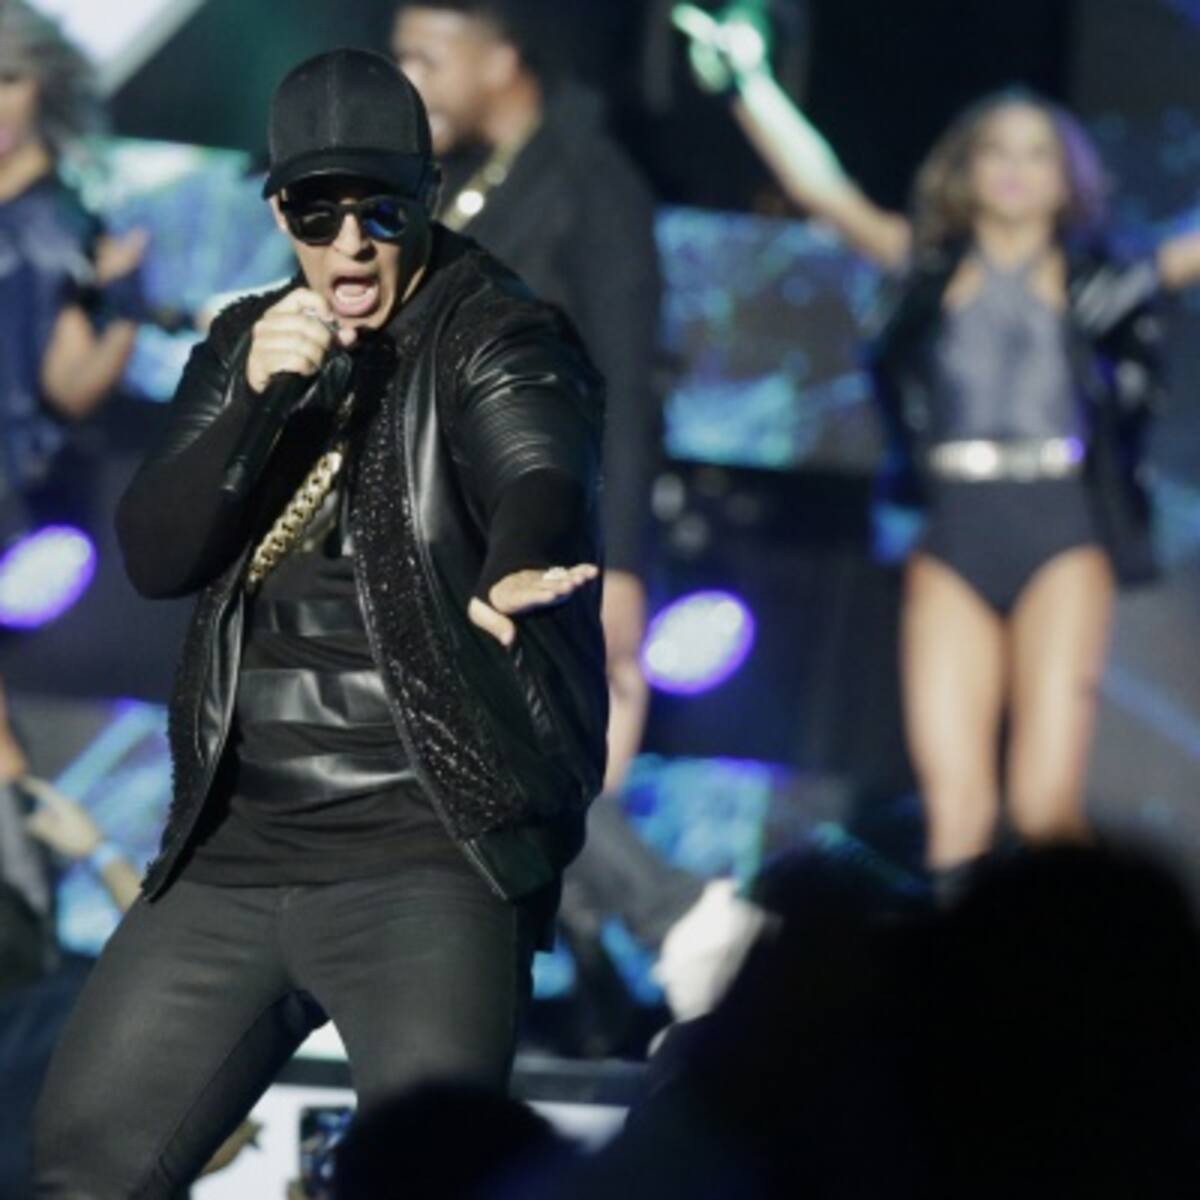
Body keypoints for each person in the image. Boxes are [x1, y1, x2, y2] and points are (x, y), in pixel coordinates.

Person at [33, 47, 607, 1198]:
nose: (350, 244)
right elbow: (155, 553)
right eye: (317, 211)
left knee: (428, 1181)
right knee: (81, 1165)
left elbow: (534, 458)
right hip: (233, 855)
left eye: (380, 209)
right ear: (280, 213)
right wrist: (251, 400)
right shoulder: (250, 340)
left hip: (428, 850)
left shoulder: (495, 330)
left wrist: (521, 557)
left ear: (426, 199)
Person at [675, 5, 1200, 887]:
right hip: (952, 525)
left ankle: (1058, 964)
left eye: (1037, 153)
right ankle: (956, 970)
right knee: (956, 808)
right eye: (998, 151)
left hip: (1060, 526)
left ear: (1066, 176)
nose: (1016, 169)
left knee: (1044, 804)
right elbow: (824, 191)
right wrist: (750, 82)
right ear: (967, 168)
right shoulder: (924, 268)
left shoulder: (1105, 281)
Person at [393, 2, 766, 1046]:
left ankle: (682, 917)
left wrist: (623, 566)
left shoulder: (594, 182)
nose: (407, 76)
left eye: (428, 55)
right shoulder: (464, 183)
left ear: (502, 58)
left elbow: (627, 388)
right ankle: (630, 954)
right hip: (445, 522)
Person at [0, 0, 146, 509]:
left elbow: (71, 387)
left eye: (10, 78)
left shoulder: (57, 228)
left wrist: (126, 307)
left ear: (44, 84)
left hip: (22, 496)